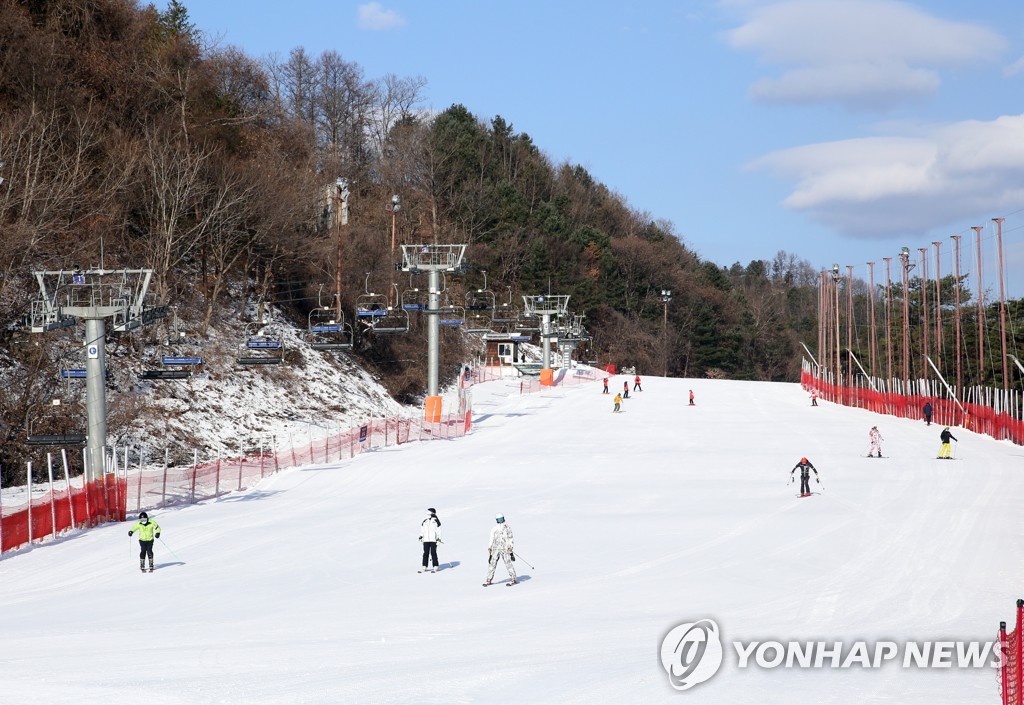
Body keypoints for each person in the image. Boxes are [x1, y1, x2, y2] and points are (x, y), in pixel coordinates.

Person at [484, 514, 517, 586]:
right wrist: (490, 547)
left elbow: (510, 537)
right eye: (499, 520)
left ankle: (513, 578)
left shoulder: (507, 527)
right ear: (496, 520)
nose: (501, 522)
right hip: (496, 548)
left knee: (508, 563)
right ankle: (489, 579)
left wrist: (510, 546)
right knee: (492, 563)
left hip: (505, 548)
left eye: (502, 519)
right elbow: (491, 538)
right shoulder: (494, 529)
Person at [419, 508, 442, 573]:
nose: (427, 514)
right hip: (426, 540)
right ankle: (424, 566)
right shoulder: (425, 521)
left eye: (428, 512)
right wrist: (421, 536)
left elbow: (439, 531)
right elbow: (422, 530)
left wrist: (438, 538)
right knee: (425, 553)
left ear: (431, 513)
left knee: (433, 553)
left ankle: (435, 566)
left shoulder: (436, 521)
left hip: (433, 540)